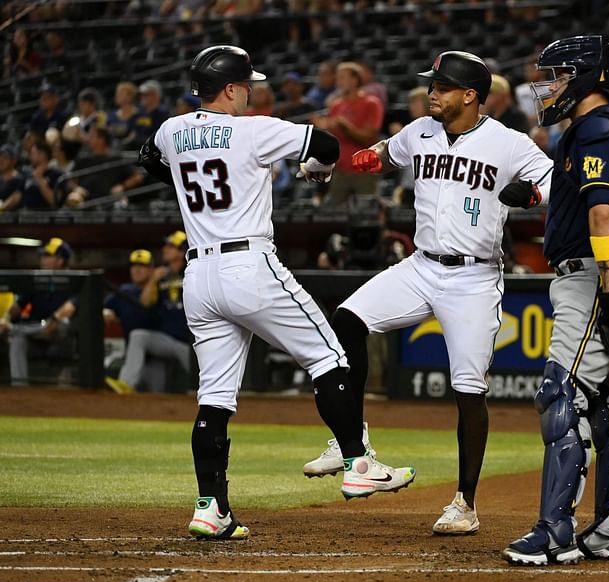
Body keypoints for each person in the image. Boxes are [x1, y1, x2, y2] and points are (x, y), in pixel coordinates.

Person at [137, 45, 415, 540]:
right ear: (229, 89)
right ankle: (357, 463)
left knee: (215, 397)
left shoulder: (171, 130)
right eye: (246, 85)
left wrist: (190, 175)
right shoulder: (254, 128)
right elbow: (327, 145)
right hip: (249, 264)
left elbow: (150, 161)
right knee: (331, 357)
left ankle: (211, 507)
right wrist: (319, 172)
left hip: (199, 275)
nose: (250, 92)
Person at [305, 50, 553, 536]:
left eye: (441, 87)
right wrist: (343, 162)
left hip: (474, 278)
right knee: (346, 321)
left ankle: (466, 502)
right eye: (431, 86)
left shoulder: (507, 143)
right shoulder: (419, 131)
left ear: (470, 95)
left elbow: (554, 181)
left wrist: (532, 195)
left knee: (468, 391)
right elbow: (380, 153)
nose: (431, 93)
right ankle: (352, 443)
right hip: (420, 266)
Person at [501, 35, 609, 566]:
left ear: (586, 79)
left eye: (559, 75)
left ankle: (554, 529)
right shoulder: (606, 130)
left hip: (594, 277)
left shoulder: (593, 129)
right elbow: (591, 193)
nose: (548, 86)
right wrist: (541, 194)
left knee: (560, 394)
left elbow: (604, 213)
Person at [105, 232, 193, 394]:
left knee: (204, 387)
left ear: (182, 252)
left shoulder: (194, 270)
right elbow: (145, 303)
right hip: (168, 339)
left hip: (193, 342)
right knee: (139, 336)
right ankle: (126, 385)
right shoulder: (162, 276)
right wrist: (153, 279)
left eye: (170, 246)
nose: (164, 249)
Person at [0, 238, 77, 386]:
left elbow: (69, 307)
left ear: (60, 261)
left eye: (47, 256)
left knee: (61, 323)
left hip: (59, 336)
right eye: (43, 256)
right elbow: (18, 305)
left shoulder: (73, 280)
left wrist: (54, 319)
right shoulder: (37, 280)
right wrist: (6, 318)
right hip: (34, 333)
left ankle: (17, 330)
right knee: (17, 340)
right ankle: (20, 386)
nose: (42, 260)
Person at [310, 61, 384, 205]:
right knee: (333, 215)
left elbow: (369, 138)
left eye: (343, 77)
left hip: (364, 170)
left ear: (355, 79)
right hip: (340, 170)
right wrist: (321, 127)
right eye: (337, 78)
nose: (338, 81)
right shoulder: (336, 105)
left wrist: (346, 128)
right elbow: (331, 136)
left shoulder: (371, 103)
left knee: (365, 215)